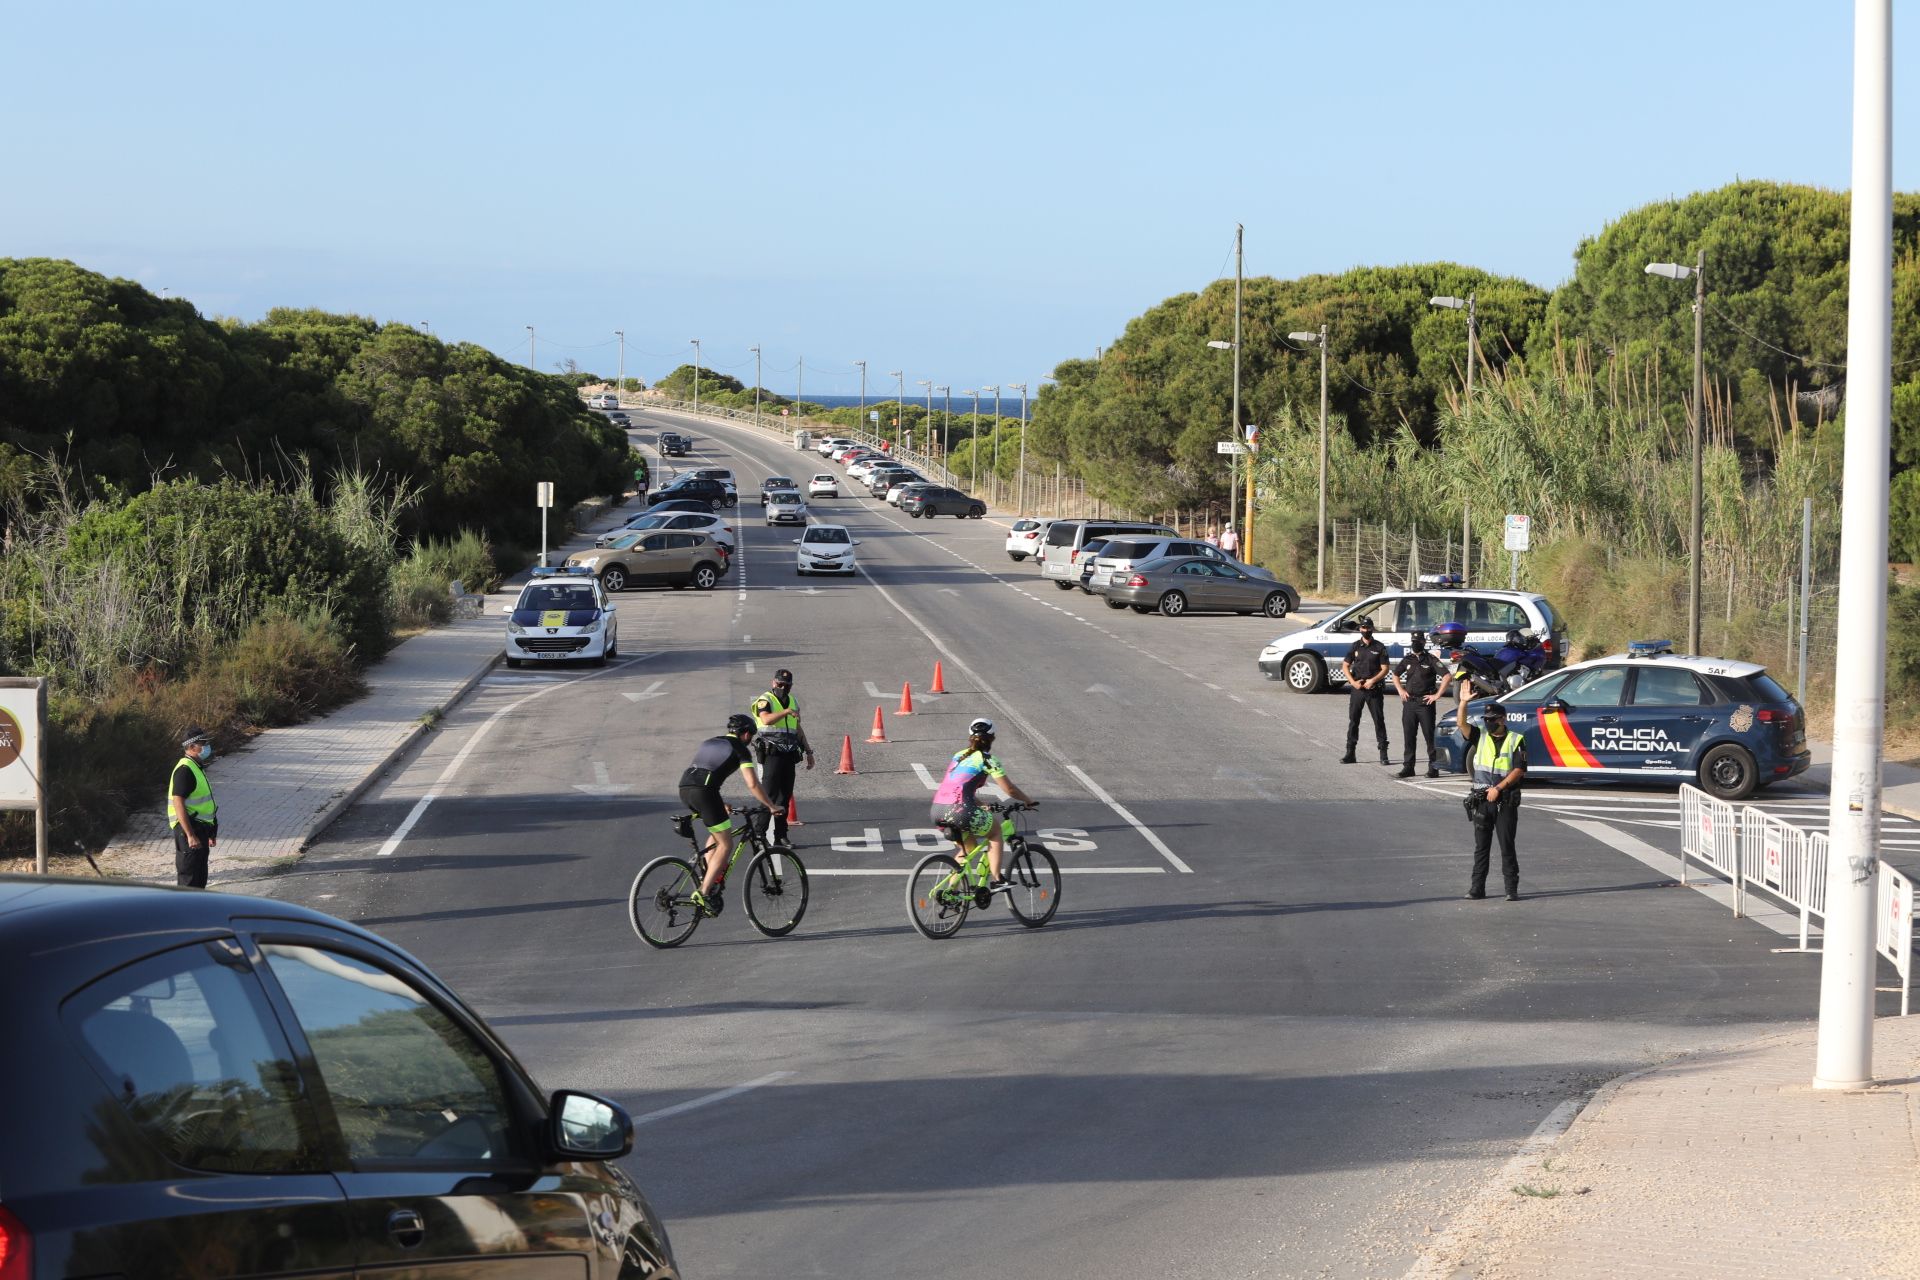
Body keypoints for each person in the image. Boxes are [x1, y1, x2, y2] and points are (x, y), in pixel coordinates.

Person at [680, 713, 778, 914]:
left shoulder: (710, 742)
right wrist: (771, 805)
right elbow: (752, 783)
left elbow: (703, 774)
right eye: (751, 736)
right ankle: (705, 891)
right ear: (745, 734)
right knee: (726, 843)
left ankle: (709, 875)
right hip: (705, 792)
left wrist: (719, 803)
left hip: (685, 789)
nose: (750, 741)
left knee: (716, 833)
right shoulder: (740, 749)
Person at [930, 717, 1037, 889]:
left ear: (970, 736)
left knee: (968, 849)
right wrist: (1028, 800)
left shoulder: (958, 756)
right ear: (992, 737)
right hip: (960, 809)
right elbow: (1009, 789)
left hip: (938, 810)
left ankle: (950, 893)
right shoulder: (988, 759)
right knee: (995, 833)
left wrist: (982, 805)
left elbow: (958, 788)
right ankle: (997, 880)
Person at [1457, 702, 1528, 901]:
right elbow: (1461, 723)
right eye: (1486, 719)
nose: (1488, 723)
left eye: (1492, 720)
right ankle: (1477, 888)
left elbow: (1519, 769)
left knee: (1506, 846)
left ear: (1502, 719)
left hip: (1504, 800)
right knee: (1481, 848)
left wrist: (1498, 788)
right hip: (1482, 800)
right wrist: (1463, 702)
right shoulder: (1480, 736)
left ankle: (1511, 889)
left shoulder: (1516, 739)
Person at [749, 668, 814, 845]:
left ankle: (780, 836)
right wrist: (786, 712)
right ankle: (759, 834)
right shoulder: (765, 700)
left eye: (787, 685)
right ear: (773, 683)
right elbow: (766, 720)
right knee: (768, 794)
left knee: (784, 796)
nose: (783, 688)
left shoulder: (793, 701)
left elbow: (797, 728)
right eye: (780, 684)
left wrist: (808, 751)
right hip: (771, 754)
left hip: (789, 754)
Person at [1390, 627, 1446, 778]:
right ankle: (1408, 767)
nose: (1416, 644)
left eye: (1418, 641)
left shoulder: (1431, 659)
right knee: (1409, 736)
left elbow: (1446, 676)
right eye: (1414, 642)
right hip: (1409, 703)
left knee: (1429, 737)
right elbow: (1395, 674)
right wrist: (1401, 691)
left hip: (1425, 703)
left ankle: (1434, 768)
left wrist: (1437, 695)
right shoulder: (1407, 659)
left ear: (1424, 642)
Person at [167, 727, 219, 889]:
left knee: (200, 876)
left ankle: (198, 910)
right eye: (203, 743)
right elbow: (178, 802)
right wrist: (190, 835)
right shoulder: (185, 770)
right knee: (189, 879)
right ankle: (184, 912)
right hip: (188, 830)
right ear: (191, 747)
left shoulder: (196, 767)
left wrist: (211, 831)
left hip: (200, 829)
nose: (206, 747)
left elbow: (205, 803)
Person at [1339, 616, 1392, 764]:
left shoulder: (1379, 647)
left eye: (1368, 628)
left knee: (1378, 720)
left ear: (1372, 629)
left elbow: (1385, 669)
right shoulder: (1355, 646)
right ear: (1360, 629)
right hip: (1358, 688)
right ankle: (1350, 753)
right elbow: (1345, 665)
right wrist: (1352, 682)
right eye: (1363, 628)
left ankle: (1383, 754)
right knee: (1353, 721)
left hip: (1374, 689)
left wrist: (1372, 680)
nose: (1366, 630)